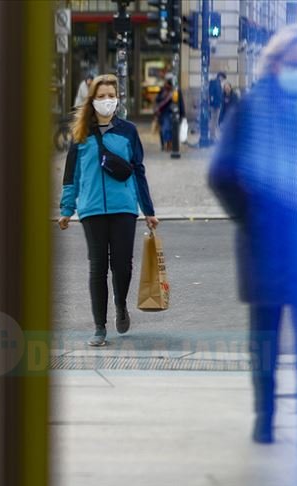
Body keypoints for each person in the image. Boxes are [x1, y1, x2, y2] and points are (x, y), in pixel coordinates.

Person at [208, 26, 297, 462]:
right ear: (274, 64)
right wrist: (251, 217)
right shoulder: (250, 110)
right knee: (265, 334)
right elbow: (221, 174)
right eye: (295, 63)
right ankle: (265, 417)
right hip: (264, 243)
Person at [58, 74, 160, 347]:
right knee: (98, 267)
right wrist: (67, 208)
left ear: (118, 99)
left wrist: (148, 210)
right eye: (101, 96)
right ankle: (99, 327)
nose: (107, 101)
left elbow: (138, 171)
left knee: (123, 265)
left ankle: (121, 305)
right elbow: (71, 175)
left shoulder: (127, 131)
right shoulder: (80, 134)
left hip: (124, 207)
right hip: (91, 209)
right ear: (92, 100)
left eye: (110, 96)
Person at [154, 74, 185, 151]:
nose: (165, 84)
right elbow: (157, 100)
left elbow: (181, 102)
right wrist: (164, 96)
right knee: (165, 129)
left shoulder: (176, 90)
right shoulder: (163, 90)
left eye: (167, 82)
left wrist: (183, 114)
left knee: (171, 130)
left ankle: (170, 144)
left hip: (173, 113)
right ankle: (165, 144)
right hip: (164, 114)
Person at [208, 71, 227, 142]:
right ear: (220, 76)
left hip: (216, 104)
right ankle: (212, 136)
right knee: (214, 121)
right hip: (215, 105)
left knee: (214, 121)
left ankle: (213, 135)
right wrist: (214, 103)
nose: (223, 80)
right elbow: (211, 94)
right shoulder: (215, 82)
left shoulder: (216, 82)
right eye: (223, 78)